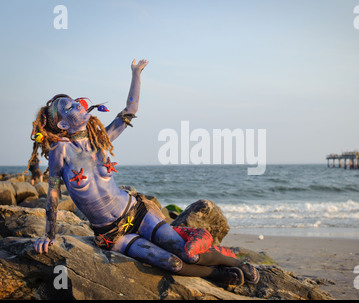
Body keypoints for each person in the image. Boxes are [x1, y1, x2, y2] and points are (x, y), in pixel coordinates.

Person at [29, 59, 259, 286]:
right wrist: (49, 237)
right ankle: (216, 275)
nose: (79, 104)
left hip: (136, 211)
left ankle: (236, 264)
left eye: (77, 101)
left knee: (187, 253)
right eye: (69, 107)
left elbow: (130, 110)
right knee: (172, 263)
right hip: (112, 234)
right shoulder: (61, 151)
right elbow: (52, 197)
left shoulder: (101, 139)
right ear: (62, 126)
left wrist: (136, 73)